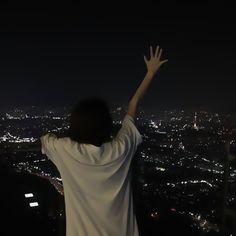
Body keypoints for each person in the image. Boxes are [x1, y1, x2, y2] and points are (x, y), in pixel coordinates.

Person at [40, 45, 168, 236]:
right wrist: (150, 73)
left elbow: (45, 140)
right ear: (107, 125)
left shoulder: (64, 148)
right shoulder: (121, 148)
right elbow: (133, 105)